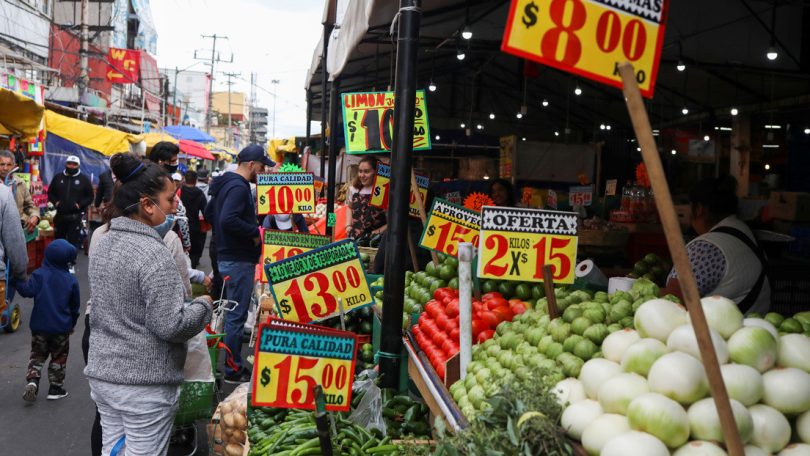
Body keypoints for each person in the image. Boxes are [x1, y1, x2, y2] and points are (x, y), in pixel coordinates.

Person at [85, 153, 212, 456]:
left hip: (105, 378)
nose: (174, 207)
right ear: (147, 205)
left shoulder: (102, 242)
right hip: (143, 387)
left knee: (113, 450)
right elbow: (171, 325)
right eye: (169, 200)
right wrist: (204, 306)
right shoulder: (154, 254)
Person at [209, 144, 274, 383]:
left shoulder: (224, 183)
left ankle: (227, 364)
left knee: (229, 315)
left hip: (227, 255)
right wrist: (254, 231)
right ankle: (232, 370)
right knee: (236, 317)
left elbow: (210, 213)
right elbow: (227, 219)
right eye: (261, 166)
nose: (262, 170)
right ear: (250, 165)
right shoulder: (238, 187)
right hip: (236, 259)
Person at [664, 176, 770, 314]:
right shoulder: (745, 232)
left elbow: (673, 302)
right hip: (755, 322)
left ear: (699, 209)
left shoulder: (705, 248)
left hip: (720, 332)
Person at [17, 239, 79, 402]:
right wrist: (72, 323)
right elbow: (75, 306)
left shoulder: (38, 274)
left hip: (40, 327)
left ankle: (33, 381)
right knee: (58, 357)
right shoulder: (70, 280)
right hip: (61, 327)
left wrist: (16, 280)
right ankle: (55, 388)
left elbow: (27, 291)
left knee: (37, 355)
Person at [148, 142, 191, 251]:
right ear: (160, 161)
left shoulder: (159, 177)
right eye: (172, 161)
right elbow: (180, 214)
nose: (175, 164)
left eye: (175, 161)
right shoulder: (158, 181)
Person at [47, 155, 93, 248]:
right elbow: (50, 193)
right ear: (65, 164)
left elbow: (90, 196)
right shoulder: (58, 177)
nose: (71, 166)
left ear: (78, 166)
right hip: (60, 216)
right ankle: (59, 261)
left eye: (74, 164)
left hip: (75, 218)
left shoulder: (84, 179)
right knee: (59, 242)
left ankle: (71, 261)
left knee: (73, 243)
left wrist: (79, 205)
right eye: (69, 163)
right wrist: (55, 202)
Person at [345, 156, 386, 239]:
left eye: (366, 172)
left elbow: (393, 220)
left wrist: (378, 232)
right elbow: (349, 207)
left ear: (376, 172)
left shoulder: (383, 191)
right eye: (360, 171)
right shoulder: (354, 189)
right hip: (354, 239)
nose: (362, 175)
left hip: (374, 240)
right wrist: (348, 226)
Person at [0, 149, 39, 232]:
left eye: (9, 165)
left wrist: (35, 216)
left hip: (17, 230)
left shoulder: (20, 183)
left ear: (14, 166)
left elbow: (30, 206)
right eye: (2, 164)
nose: (5, 168)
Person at [179, 170, 208, 269]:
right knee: (195, 251)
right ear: (195, 181)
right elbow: (205, 211)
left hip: (180, 225)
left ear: (184, 180)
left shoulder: (180, 191)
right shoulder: (199, 193)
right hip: (195, 226)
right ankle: (192, 271)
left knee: (182, 250)